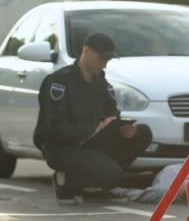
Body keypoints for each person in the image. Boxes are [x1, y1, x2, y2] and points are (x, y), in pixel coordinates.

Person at [33, 32, 153, 205]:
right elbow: (52, 127)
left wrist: (121, 128)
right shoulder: (58, 82)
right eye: (101, 58)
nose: (104, 64)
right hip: (62, 146)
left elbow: (111, 112)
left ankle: (96, 185)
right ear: (86, 51)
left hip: (92, 143)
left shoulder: (100, 82)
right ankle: (67, 182)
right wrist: (91, 131)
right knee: (112, 173)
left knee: (142, 133)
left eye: (107, 60)